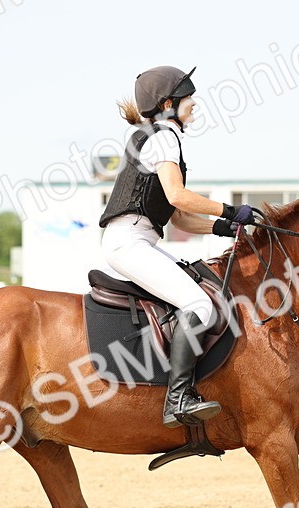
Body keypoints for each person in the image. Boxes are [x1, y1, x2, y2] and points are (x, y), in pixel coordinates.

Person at [98, 65, 254, 428]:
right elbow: (178, 195)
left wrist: (225, 227)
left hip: (138, 238)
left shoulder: (153, 135)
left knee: (198, 293)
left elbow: (179, 218)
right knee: (199, 303)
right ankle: (178, 398)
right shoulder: (166, 136)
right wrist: (231, 209)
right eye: (189, 98)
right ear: (169, 103)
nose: (195, 104)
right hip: (129, 240)